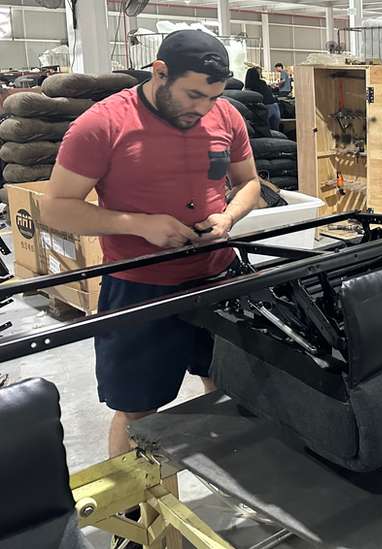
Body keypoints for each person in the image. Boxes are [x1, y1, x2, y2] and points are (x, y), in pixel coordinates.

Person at [40, 30, 260, 547]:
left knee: (229, 388)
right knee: (139, 410)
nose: (203, 108)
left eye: (213, 96)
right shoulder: (101, 125)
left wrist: (228, 215)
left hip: (218, 278)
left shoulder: (226, 116)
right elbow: (54, 208)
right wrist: (139, 224)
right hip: (141, 290)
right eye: (192, 96)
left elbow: (250, 182)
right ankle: (141, 526)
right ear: (158, 73)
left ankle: (244, 493)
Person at [245, 66, 279, 131]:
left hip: (265, 107)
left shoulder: (250, 84)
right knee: (275, 131)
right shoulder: (262, 82)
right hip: (275, 106)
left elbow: (249, 97)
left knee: (264, 130)